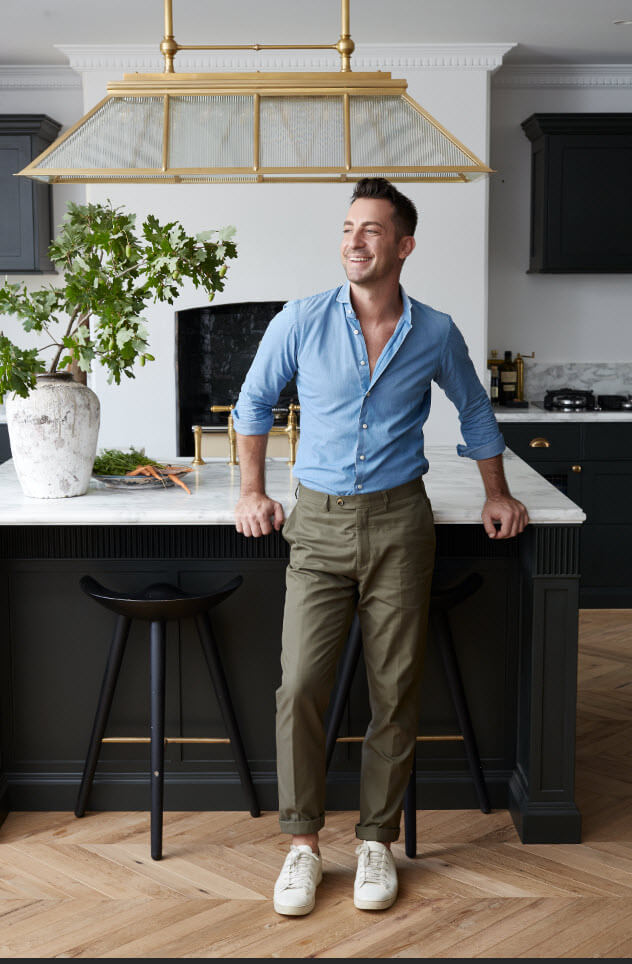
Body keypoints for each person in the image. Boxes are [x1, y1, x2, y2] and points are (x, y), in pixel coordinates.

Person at [232, 178, 528, 917]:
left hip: (401, 524)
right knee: (300, 683)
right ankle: (302, 845)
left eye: (370, 230)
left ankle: (375, 841)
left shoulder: (434, 331)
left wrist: (496, 492)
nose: (354, 241)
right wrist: (251, 490)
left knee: (395, 690)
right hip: (319, 524)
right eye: (346, 228)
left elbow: (476, 410)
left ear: (404, 245)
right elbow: (252, 404)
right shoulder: (300, 319)